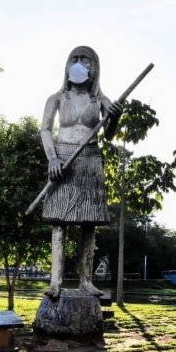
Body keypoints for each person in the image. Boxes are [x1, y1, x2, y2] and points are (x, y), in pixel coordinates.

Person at [41, 45, 122, 297]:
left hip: (89, 158)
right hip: (63, 160)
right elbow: (45, 130)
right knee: (59, 222)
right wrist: (52, 158)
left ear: (93, 66)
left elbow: (108, 134)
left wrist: (115, 118)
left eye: (84, 59)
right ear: (66, 65)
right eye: (73, 59)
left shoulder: (101, 100)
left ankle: (86, 281)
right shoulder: (56, 98)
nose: (78, 63)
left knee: (88, 223)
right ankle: (55, 282)